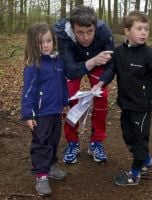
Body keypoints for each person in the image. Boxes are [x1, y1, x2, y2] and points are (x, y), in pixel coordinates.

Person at [92, 10, 152, 186]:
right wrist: (101, 83)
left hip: (142, 107)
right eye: (139, 28)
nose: (144, 32)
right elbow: (111, 69)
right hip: (125, 104)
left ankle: (134, 174)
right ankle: (147, 161)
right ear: (127, 31)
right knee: (129, 137)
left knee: (140, 140)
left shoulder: (150, 54)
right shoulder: (118, 52)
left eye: (146, 29)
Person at [54, 5, 115, 164]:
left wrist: (102, 82)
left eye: (90, 31)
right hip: (75, 64)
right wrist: (91, 61)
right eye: (80, 32)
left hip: (98, 62)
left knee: (102, 96)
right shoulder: (63, 34)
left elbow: (112, 64)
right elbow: (69, 70)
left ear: (95, 27)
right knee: (69, 98)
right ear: (73, 29)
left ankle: (96, 142)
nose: (86, 37)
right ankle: (72, 142)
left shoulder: (104, 31)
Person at [21, 22, 69, 196]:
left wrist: (65, 103)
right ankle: (41, 176)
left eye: (48, 40)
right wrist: (28, 114)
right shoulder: (33, 65)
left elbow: (62, 84)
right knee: (41, 143)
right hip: (40, 113)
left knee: (54, 140)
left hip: (55, 110)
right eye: (41, 42)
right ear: (34, 44)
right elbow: (28, 91)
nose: (46, 45)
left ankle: (50, 167)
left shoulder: (57, 61)